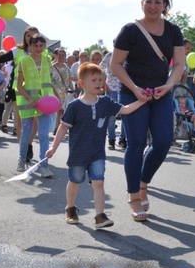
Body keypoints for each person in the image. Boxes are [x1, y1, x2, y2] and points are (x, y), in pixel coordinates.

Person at [111, 0, 185, 222]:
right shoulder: (130, 31)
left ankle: (143, 183)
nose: (153, 6)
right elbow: (115, 65)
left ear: (165, 6)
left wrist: (169, 85)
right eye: (149, 1)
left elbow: (180, 65)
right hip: (133, 94)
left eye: (158, 2)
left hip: (161, 94)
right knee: (136, 143)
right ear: (141, 3)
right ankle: (134, 196)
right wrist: (134, 88)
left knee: (164, 141)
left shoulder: (173, 31)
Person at [46, 62, 148, 229]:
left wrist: (143, 100)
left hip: (97, 153)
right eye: (94, 80)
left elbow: (126, 109)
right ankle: (70, 208)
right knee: (75, 181)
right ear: (82, 84)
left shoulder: (105, 103)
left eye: (101, 79)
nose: (99, 83)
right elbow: (63, 127)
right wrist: (53, 148)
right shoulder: (75, 106)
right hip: (78, 154)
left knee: (98, 182)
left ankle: (100, 216)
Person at [0, 26, 39, 156]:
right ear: (24, 37)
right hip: (18, 89)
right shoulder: (18, 51)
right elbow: (0, 59)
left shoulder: (41, 51)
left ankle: (29, 144)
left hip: (36, 90)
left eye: (33, 36)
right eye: (28, 36)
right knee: (19, 120)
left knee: (35, 121)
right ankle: (22, 149)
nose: (30, 38)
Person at [15, 34, 58, 177]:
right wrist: (28, 99)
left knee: (44, 135)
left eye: (41, 45)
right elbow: (19, 85)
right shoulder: (24, 60)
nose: (39, 48)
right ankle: (22, 159)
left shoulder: (47, 59)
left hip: (45, 102)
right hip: (28, 102)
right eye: (35, 45)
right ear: (30, 46)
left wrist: (55, 95)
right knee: (26, 133)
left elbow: (47, 81)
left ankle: (44, 165)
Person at [100, 47, 126, 149]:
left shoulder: (128, 55)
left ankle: (123, 139)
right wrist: (103, 81)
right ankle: (111, 139)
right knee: (111, 116)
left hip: (125, 88)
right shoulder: (109, 55)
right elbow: (100, 68)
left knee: (125, 115)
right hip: (111, 88)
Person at [50, 48, 73, 136]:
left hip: (64, 92)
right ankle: (52, 126)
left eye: (63, 55)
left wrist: (73, 90)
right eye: (59, 55)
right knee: (53, 110)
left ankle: (56, 128)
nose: (61, 57)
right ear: (56, 56)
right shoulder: (51, 67)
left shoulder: (67, 68)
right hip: (53, 91)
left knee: (60, 111)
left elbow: (69, 81)